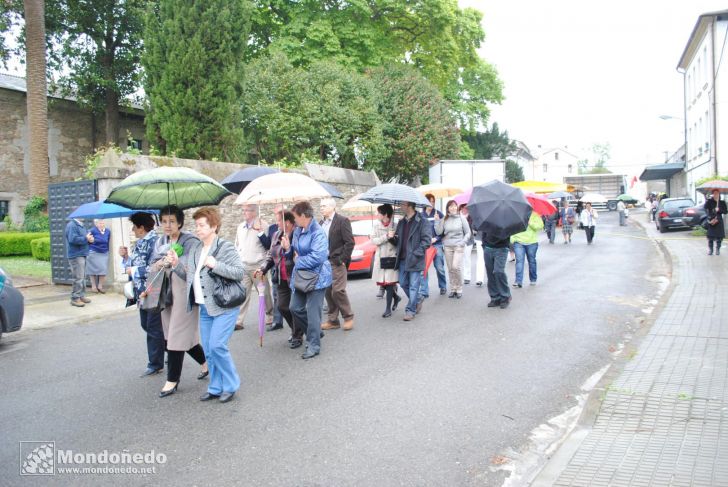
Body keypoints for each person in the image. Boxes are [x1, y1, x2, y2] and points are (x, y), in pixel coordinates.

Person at [168, 207, 245, 404]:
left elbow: (239, 272)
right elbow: (190, 278)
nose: (198, 229)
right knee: (209, 350)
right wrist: (177, 264)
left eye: (202, 225)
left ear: (214, 226)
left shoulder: (224, 247)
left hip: (224, 306)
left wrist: (216, 265)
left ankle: (231, 385)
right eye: (197, 225)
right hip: (204, 308)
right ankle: (215, 387)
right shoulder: (195, 250)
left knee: (218, 346)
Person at [148, 205, 207, 398]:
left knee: (175, 336)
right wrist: (161, 263)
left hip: (185, 294)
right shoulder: (160, 241)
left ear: (180, 222)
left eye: (172, 221)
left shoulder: (191, 242)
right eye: (164, 221)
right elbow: (152, 267)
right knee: (180, 337)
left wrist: (176, 263)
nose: (168, 225)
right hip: (166, 295)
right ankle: (207, 364)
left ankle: (172, 380)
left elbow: (192, 272)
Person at [289, 201, 332, 359]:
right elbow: (294, 252)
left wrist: (298, 261)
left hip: (317, 277)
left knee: (314, 313)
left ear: (303, 215)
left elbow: (319, 257)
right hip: (301, 277)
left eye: (295, 217)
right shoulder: (298, 230)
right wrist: (288, 248)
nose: (294, 220)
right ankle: (315, 332)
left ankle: (314, 345)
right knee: (295, 307)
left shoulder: (318, 232)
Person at [255, 211, 301, 348]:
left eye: (279, 221)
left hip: (294, 277)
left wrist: (289, 247)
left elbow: (298, 254)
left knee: (295, 308)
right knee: (282, 306)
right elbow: (271, 255)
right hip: (280, 278)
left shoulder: (298, 234)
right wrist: (263, 268)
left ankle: (298, 335)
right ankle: (296, 329)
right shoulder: (276, 235)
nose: (276, 223)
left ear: (287, 222)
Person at [125, 212, 163, 377]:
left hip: (152, 291)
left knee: (153, 328)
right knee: (146, 325)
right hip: (141, 292)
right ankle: (170, 349)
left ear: (141, 227)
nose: (133, 229)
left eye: (134, 226)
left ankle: (155, 363)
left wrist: (134, 270)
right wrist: (125, 256)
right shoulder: (141, 242)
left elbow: (156, 267)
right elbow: (134, 263)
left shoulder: (154, 242)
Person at [235, 204, 274, 331]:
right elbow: (237, 245)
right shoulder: (240, 227)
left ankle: (270, 314)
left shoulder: (263, 225)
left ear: (254, 212)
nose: (244, 212)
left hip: (258, 265)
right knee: (243, 293)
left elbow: (268, 245)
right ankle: (239, 321)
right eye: (243, 210)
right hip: (244, 265)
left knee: (264, 292)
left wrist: (259, 231)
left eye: (247, 210)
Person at [319, 197, 355, 331]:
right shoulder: (321, 223)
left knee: (338, 290)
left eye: (324, 206)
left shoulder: (342, 221)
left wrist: (342, 260)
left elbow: (350, 242)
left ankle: (348, 317)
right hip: (324, 262)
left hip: (336, 261)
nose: (321, 208)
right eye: (321, 206)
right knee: (328, 291)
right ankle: (333, 320)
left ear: (332, 207)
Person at [390, 201, 431, 321]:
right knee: (403, 283)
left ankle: (410, 310)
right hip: (402, 258)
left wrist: (415, 253)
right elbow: (398, 242)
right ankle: (418, 299)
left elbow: (426, 241)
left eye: (402, 204)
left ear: (409, 206)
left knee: (414, 286)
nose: (401, 207)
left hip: (415, 259)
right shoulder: (402, 222)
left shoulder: (422, 221)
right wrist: (392, 238)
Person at [369, 204, 401, 317]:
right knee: (385, 283)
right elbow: (374, 241)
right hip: (381, 257)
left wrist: (393, 237)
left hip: (392, 257)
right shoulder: (376, 226)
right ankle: (396, 298)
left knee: (390, 283)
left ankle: (388, 309)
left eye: (379, 213)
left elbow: (399, 243)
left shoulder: (396, 225)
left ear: (386, 214)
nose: (377, 215)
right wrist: (386, 236)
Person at [435, 200, 471, 298]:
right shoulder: (445, 219)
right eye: (451, 206)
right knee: (451, 268)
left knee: (456, 267)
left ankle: (459, 288)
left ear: (457, 207)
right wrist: (437, 221)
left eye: (455, 206)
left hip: (458, 245)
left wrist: (463, 242)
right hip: (447, 246)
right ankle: (453, 288)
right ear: (448, 209)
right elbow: (438, 232)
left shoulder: (461, 218)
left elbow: (468, 232)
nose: (453, 208)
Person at [419, 193, 447, 298]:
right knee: (424, 268)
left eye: (433, 201)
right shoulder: (420, 216)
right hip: (425, 246)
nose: (431, 203)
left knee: (439, 267)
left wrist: (437, 238)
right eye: (429, 201)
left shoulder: (439, 214)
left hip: (437, 244)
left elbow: (444, 230)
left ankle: (443, 286)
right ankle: (424, 290)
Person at [510, 211, 544, 288]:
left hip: (531, 242)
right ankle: (518, 281)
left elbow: (540, 226)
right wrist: (512, 238)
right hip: (518, 241)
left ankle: (533, 279)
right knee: (519, 261)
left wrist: (530, 222)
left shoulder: (535, 214)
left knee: (531, 261)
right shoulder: (516, 214)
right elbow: (511, 226)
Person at [65, 215, 92, 307]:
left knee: (82, 277)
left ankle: (81, 295)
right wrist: (86, 239)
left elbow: (86, 237)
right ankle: (75, 298)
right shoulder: (72, 225)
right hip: (76, 255)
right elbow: (72, 239)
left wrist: (90, 239)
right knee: (78, 277)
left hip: (83, 253)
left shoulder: (81, 225)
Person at [265, 204, 285, 332]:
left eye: (280, 218)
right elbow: (269, 247)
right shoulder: (272, 229)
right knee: (276, 295)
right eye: (276, 216)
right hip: (275, 267)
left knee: (292, 304)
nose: (277, 222)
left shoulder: (294, 231)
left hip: (288, 270)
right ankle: (277, 321)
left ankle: (299, 329)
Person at [483, 231, 511, 309]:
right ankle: (495, 297)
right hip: (488, 248)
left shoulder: (506, 221)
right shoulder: (489, 219)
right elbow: (484, 232)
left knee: (499, 271)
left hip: (502, 248)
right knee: (490, 274)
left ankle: (505, 296)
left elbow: (508, 235)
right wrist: (484, 245)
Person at [459, 204, 484, 287]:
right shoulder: (457, 215)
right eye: (464, 207)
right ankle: (461, 277)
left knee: (467, 258)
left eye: (467, 207)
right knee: (459, 259)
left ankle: (467, 277)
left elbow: (474, 227)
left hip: (469, 240)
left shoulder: (472, 216)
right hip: (459, 240)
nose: (466, 209)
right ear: (461, 207)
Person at [86, 219, 110, 293]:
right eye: (100, 223)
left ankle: (100, 286)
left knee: (103, 269)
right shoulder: (92, 230)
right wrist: (89, 239)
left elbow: (108, 241)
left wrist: (107, 250)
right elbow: (87, 240)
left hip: (104, 253)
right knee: (92, 270)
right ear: (96, 224)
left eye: (103, 223)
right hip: (93, 252)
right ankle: (93, 287)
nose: (102, 224)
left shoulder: (108, 231)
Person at [704, 189, 726, 255]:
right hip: (712, 220)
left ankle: (718, 250)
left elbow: (725, 211)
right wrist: (707, 200)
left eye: (717, 193)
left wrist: (719, 210)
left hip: (719, 220)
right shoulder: (710, 201)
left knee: (719, 237)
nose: (716, 195)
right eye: (714, 193)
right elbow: (705, 207)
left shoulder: (722, 202)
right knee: (710, 236)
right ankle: (711, 250)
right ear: (713, 194)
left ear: (719, 194)